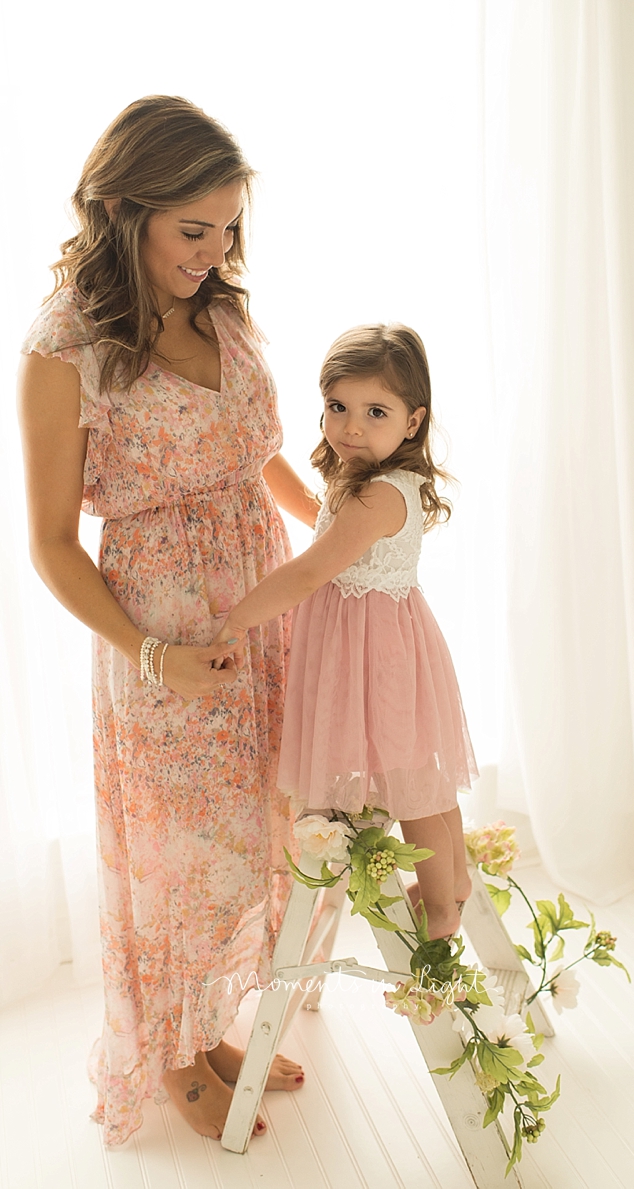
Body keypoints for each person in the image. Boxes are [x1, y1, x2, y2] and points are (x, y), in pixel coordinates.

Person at [17, 96, 321, 1145]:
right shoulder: (67, 346)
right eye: (193, 229)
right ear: (123, 210)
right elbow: (52, 539)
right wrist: (155, 657)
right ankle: (176, 1056)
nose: (215, 249)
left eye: (228, 226)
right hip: (163, 630)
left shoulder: (220, 306)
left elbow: (258, 445)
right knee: (175, 849)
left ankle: (215, 1029)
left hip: (261, 595)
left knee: (244, 830)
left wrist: (328, 527)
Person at [214, 324, 479, 940]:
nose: (352, 428)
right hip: (371, 646)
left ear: (413, 422)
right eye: (338, 408)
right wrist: (255, 457)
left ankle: (444, 903)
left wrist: (237, 619)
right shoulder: (366, 483)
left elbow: (310, 569)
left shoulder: (381, 495)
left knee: (415, 787)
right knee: (418, 781)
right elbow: (319, 516)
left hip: (377, 658)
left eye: (375, 412)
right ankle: (453, 880)